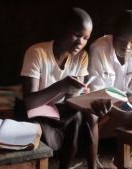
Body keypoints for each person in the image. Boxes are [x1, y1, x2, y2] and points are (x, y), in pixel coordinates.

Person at [21, 8, 99, 169]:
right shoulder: (37, 53)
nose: (80, 42)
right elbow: (29, 103)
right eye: (77, 35)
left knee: (78, 116)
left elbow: (73, 100)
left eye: (85, 38)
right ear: (62, 29)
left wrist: (87, 99)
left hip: (61, 108)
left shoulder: (81, 57)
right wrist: (60, 86)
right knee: (41, 124)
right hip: (37, 108)